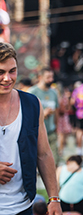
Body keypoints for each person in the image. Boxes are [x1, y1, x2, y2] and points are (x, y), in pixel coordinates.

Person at [0, 42, 62, 214]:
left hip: (23, 205)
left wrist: (54, 198)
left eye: (12, 71)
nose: (7, 78)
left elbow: (43, 153)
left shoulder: (31, 103)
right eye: (1, 72)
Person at [29, 67, 60, 165]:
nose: (51, 79)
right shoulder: (32, 92)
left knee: (54, 160)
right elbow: (27, 114)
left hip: (50, 131)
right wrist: (42, 114)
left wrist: (56, 127)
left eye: (52, 77)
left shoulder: (54, 92)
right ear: (40, 77)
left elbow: (57, 111)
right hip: (36, 132)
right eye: (48, 77)